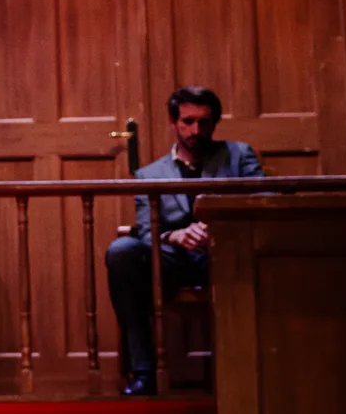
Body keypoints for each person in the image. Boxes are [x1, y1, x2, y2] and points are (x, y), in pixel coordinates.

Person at [106, 86, 262, 396]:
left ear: (214, 123)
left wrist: (218, 226)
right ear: (173, 122)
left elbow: (262, 201)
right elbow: (147, 232)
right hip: (174, 260)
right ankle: (143, 372)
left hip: (226, 254)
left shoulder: (239, 155)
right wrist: (175, 235)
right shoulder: (150, 175)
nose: (195, 131)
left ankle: (247, 369)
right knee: (121, 251)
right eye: (188, 122)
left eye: (204, 122)